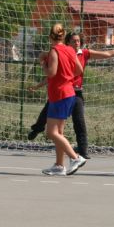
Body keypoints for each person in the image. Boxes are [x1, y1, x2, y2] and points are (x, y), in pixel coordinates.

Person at [28, 32, 114, 159]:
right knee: (46, 113)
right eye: (74, 41)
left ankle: (82, 151)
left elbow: (107, 54)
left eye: (78, 41)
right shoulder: (61, 53)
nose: (77, 43)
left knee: (79, 121)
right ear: (67, 42)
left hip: (75, 93)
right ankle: (38, 129)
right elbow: (52, 75)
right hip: (62, 91)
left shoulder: (85, 53)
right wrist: (37, 85)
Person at [40, 23, 87, 176]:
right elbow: (79, 69)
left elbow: (51, 73)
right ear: (63, 36)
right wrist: (67, 76)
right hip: (69, 93)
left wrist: (43, 63)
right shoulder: (69, 50)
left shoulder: (54, 51)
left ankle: (75, 157)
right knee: (59, 132)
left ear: (50, 36)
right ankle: (60, 165)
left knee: (51, 132)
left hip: (59, 94)